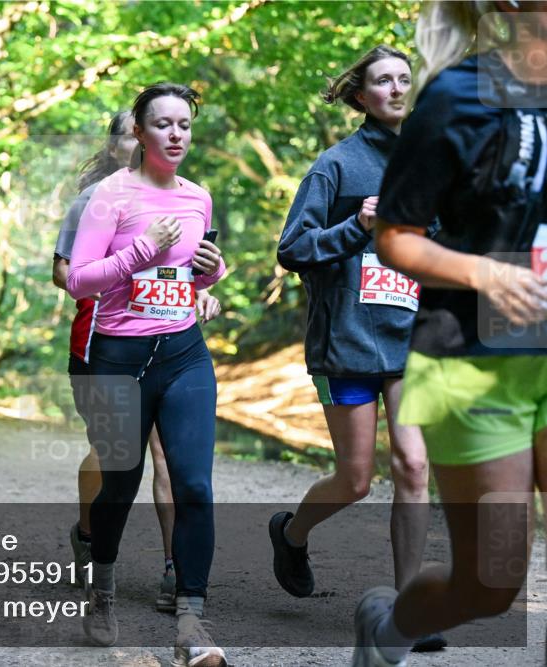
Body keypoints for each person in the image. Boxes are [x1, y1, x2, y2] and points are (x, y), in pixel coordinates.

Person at [347, 3, 546, 666]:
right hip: (476, 356)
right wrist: (485, 272)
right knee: (490, 582)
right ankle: (387, 630)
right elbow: (395, 235)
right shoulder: (461, 96)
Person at [271, 46, 443, 653]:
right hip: (347, 341)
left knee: (415, 467)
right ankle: (291, 534)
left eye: (404, 79)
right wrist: (357, 226)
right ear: (360, 95)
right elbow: (292, 250)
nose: (396, 89)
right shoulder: (336, 167)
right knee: (355, 480)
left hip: (411, 341)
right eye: (382, 81)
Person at [67, 82, 228, 667]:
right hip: (117, 358)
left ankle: (192, 618)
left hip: (184, 353)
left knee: (195, 485)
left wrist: (212, 273)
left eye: (184, 123)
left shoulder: (198, 198)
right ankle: (103, 590)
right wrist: (138, 254)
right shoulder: (108, 197)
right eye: (163, 124)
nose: (176, 134)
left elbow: (188, 274)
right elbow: (79, 279)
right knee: (120, 483)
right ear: (139, 131)